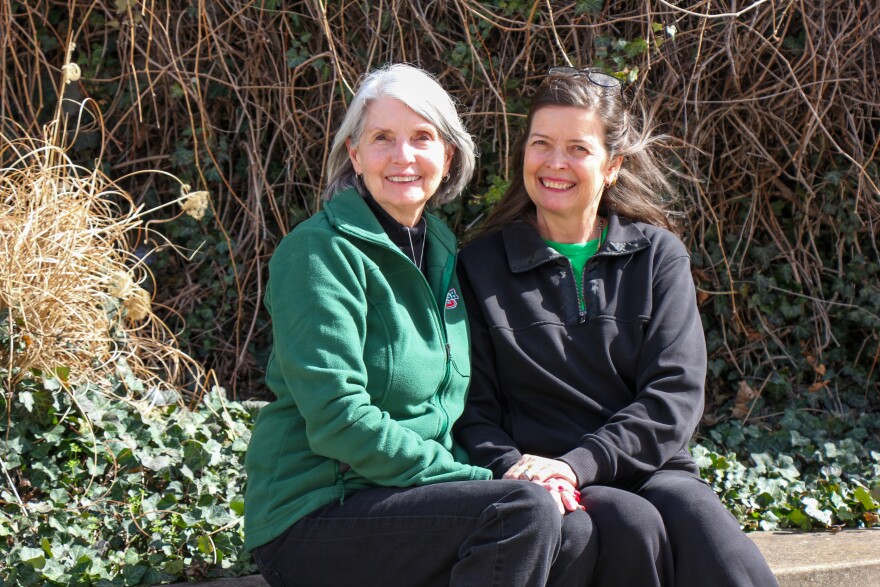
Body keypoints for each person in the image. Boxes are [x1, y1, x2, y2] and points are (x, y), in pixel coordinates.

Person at [244, 64, 596, 587]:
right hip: (319, 510)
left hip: (415, 498)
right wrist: (478, 479)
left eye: (422, 138)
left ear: (447, 156)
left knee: (575, 528)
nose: (403, 156)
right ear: (354, 155)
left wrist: (518, 472)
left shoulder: (442, 248)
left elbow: (452, 406)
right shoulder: (318, 253)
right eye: (382, 138)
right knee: (521, 512)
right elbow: (338, 419)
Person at [454, 66, 778, 587]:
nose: (555, 163)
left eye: (578, 148)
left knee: (704, 525)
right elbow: (472, 410)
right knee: (630, 523)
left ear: (612, 165)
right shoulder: (479, 267)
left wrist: (582, 462)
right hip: (546, 478)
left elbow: (674, 395)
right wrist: (523, 472)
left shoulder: (657, 257)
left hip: (652, 468)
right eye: (541, 144)